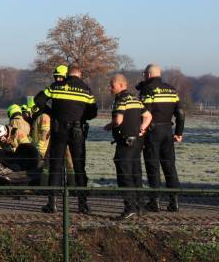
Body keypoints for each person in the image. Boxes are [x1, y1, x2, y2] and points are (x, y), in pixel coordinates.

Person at [34, 63, 97, 214]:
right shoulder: (86, 90)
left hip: (58, 129)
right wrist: (81, 117)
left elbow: (39, 100)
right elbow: (93, 113)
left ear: (68, 74)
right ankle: (82, 204)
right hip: (77, 131)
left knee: (55, 167)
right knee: (79, 168)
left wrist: (52, 113)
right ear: (80, 74)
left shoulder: (57, 86)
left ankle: (52, 204)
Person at [136, 64, 185, 212]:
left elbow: (145, 113)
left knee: (153, 166)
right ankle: (174, 202)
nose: (143, 76)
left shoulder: (148, 90)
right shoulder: (171, 90)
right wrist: (179, 132)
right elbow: (181, 113)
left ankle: (154, 201)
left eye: (144, 73)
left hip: (152, 131)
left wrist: (141, 129)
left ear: (149, 75)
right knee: (170, 166)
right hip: (168, 131)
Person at [105, 74, 151, 220]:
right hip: (137, 142)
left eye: (112, 85)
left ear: (121, 85)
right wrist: (142, 129)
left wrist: (109, 126)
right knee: (136, 174)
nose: (110, 88)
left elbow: (118, 120)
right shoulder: (135, 99)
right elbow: (148, 116)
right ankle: (140, 207)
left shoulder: (121, 100)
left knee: (124, 176)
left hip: (125, 143)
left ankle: (129, 208)